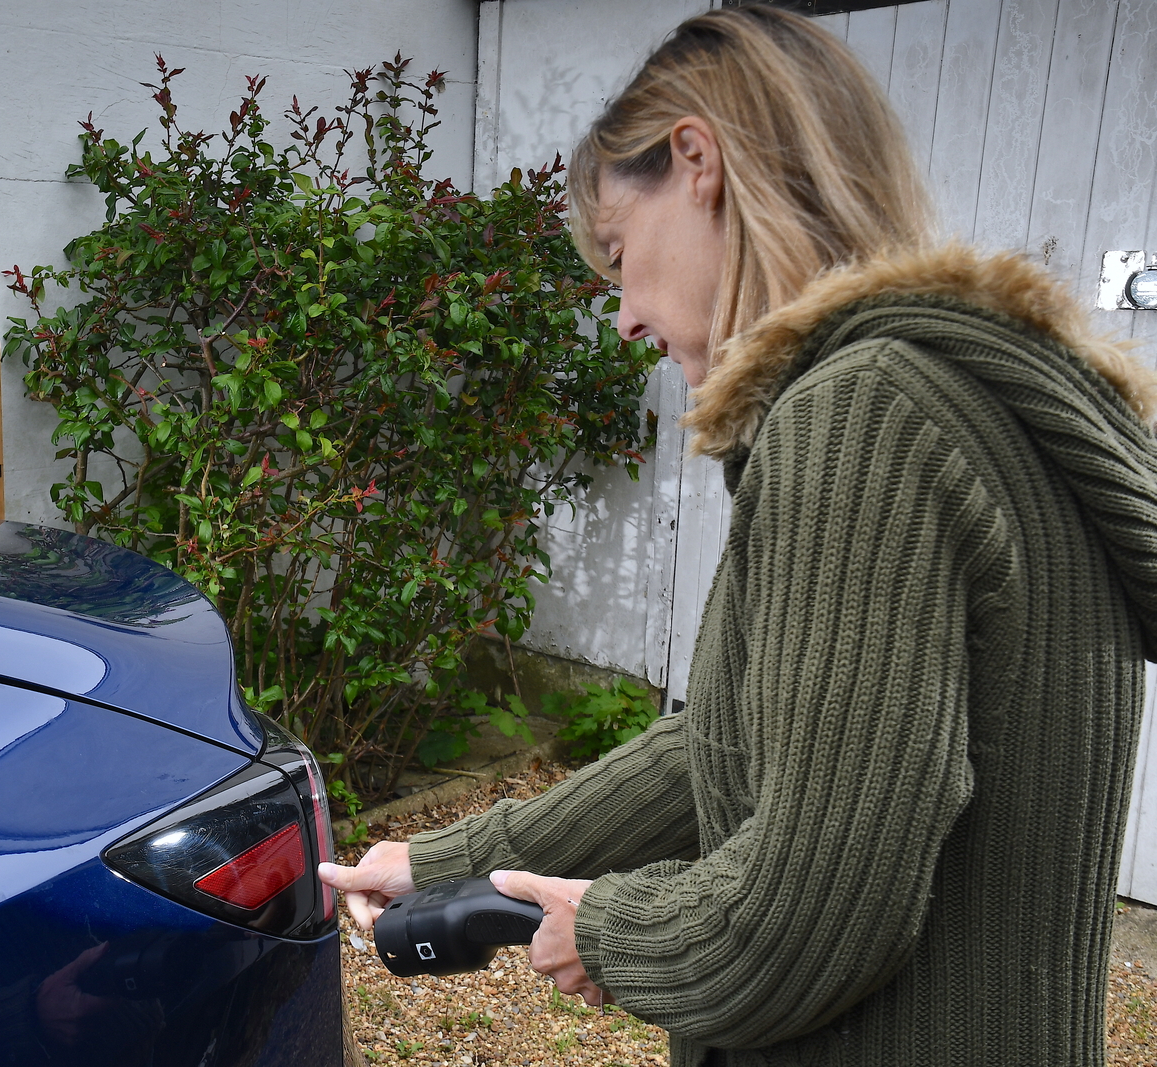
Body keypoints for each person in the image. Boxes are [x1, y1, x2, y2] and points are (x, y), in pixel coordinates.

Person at [318, 7, 1157, 1066]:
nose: (621, 314)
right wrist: (451, 861)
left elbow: (812, 915)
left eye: (618, 251)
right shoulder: (972, 402)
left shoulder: (864, 416)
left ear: (696, 159)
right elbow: (734, 738)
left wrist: (606, 927)